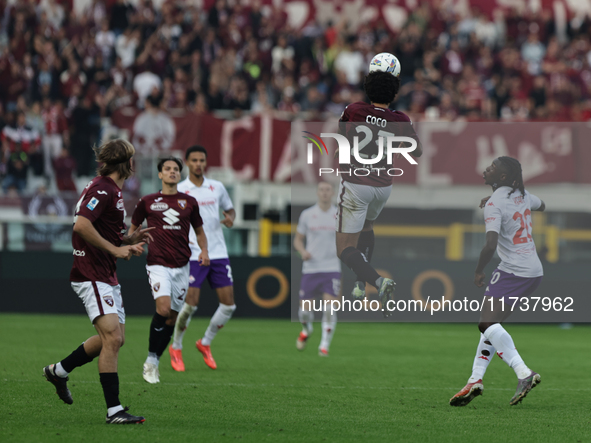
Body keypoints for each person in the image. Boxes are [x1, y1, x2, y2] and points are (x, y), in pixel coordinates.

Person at [42, 139, 153, 424]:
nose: (134, 164)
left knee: (115, 339)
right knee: (113, 338)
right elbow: (81, 224)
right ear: (126, 163)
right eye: (132, 159)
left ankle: (60, 370)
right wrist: (117, 249)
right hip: (90, 273)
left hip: (105, 273)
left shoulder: (110, 189)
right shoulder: (103, 188)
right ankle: (114, 411)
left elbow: (103, 229)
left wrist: (127, 240)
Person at [450, 156, 545, 407]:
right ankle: (475, 379)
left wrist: (479, 270)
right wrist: (508, 204)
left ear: (502, 177)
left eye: (492, 168)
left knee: (486, 323)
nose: (486, 169)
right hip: (533, 271)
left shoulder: (495, 203)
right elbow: (542, 205)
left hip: (513, 270)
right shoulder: (522, 194)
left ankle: (524, 373)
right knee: (492, 327)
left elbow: (490, 245)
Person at [336, 54, 423, 315]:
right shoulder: (402, 120)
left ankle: (376, 280)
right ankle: (359, 283)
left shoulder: (355, 110)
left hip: (356, 182)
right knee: (368, 226)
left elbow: (342, 134)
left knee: (344, 249)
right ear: (394, 91)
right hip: (383, 187)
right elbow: (417, 152)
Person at [129, 157, 209, 383]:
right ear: (160, 175)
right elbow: (133, 229)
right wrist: (133, 243)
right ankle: (151, 361)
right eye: (167, 169)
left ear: (179, 175)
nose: (172, 172)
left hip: (183, 266)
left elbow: (200, 231)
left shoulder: (189, 202)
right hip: (157, 264)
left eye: (175, 169)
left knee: (173, 318)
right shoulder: (147, 201)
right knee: (163, 310)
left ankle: (155, 358)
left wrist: (204, 251)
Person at [169, 145, 236, 371]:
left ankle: (205, 342)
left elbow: (230, 209)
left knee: (229, 305)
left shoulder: (216, 187)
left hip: (218, 252)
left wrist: (230, 218)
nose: (198, 164)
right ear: (187, 162)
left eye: (202, 160)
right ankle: (176, 346)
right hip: (192, 254)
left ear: (205, 163)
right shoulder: (179, 190)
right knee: (190, 305)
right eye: (194, 160)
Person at [293, 181, 341, 356]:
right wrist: (302, 251)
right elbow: (297, 240)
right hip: (311, 269)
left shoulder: (340, 214)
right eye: (322, 190)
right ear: (317, 192)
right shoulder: (307, 215)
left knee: (329, 309)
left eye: (328, 189)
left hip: (331, 268)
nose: (325, 193)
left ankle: (324, 345)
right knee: (304, 311)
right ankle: (306, 330)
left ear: (333, 192)